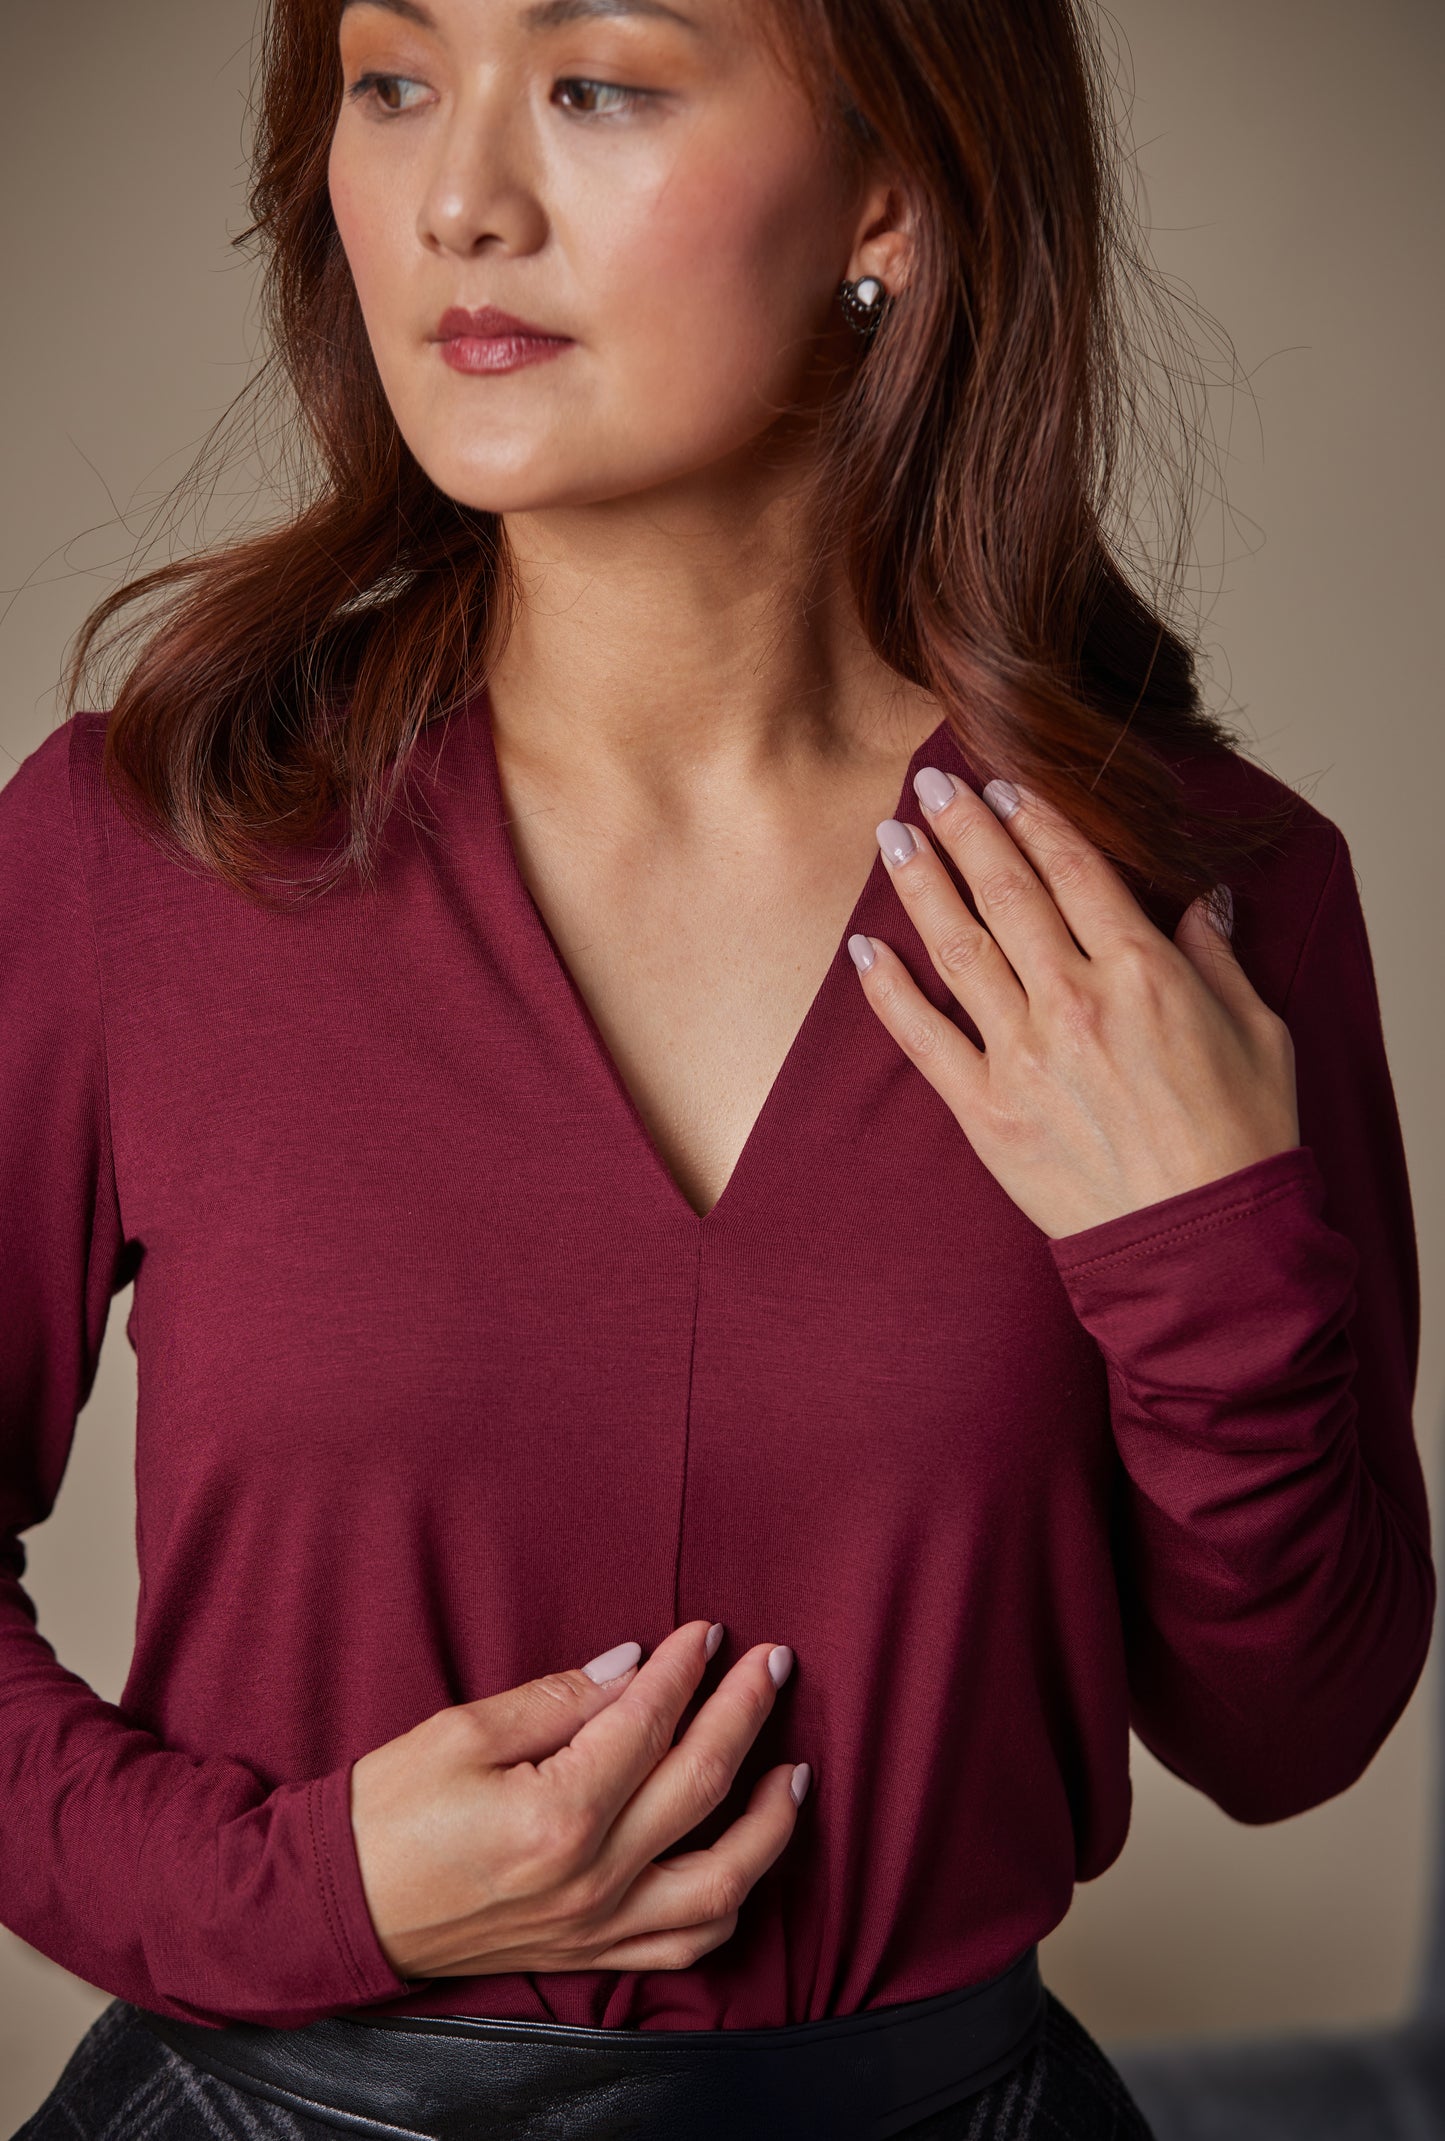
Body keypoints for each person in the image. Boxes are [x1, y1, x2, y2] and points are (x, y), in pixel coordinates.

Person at [3, 0, 1432, 2133]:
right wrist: (298, 1894)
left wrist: (1203, 1252)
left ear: (893, 191)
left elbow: (1289, 1730)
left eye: (596, 84)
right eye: (393, 82)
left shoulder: (1199, 909)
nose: (460, 200)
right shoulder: (142, 849)